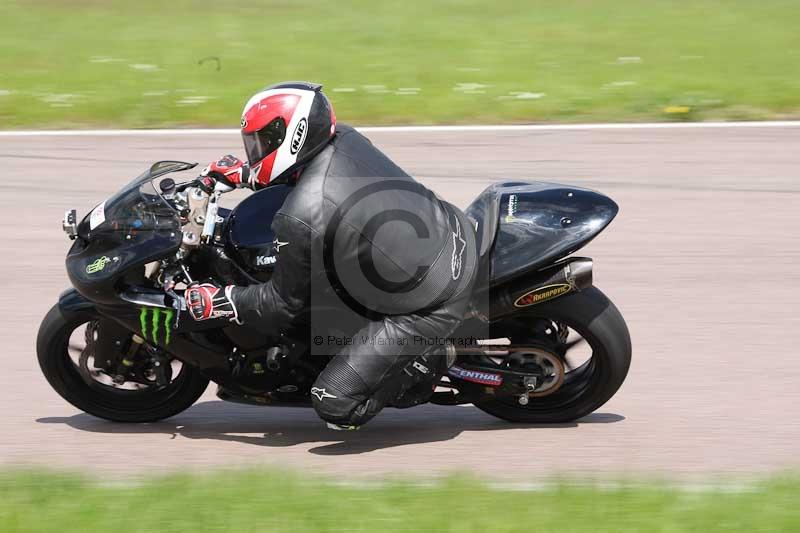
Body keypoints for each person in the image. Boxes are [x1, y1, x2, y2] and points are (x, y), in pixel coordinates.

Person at [185, 81, 477, 429]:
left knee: (333, 403)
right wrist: (248, 175)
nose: (256, 150)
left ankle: (428, 360)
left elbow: (279, 306)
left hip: (432, 301)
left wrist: (223, 301)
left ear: (295, 136)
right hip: (446, 229)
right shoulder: (345, 138)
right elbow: (305, 177)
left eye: (263, 142)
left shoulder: (301, 215)